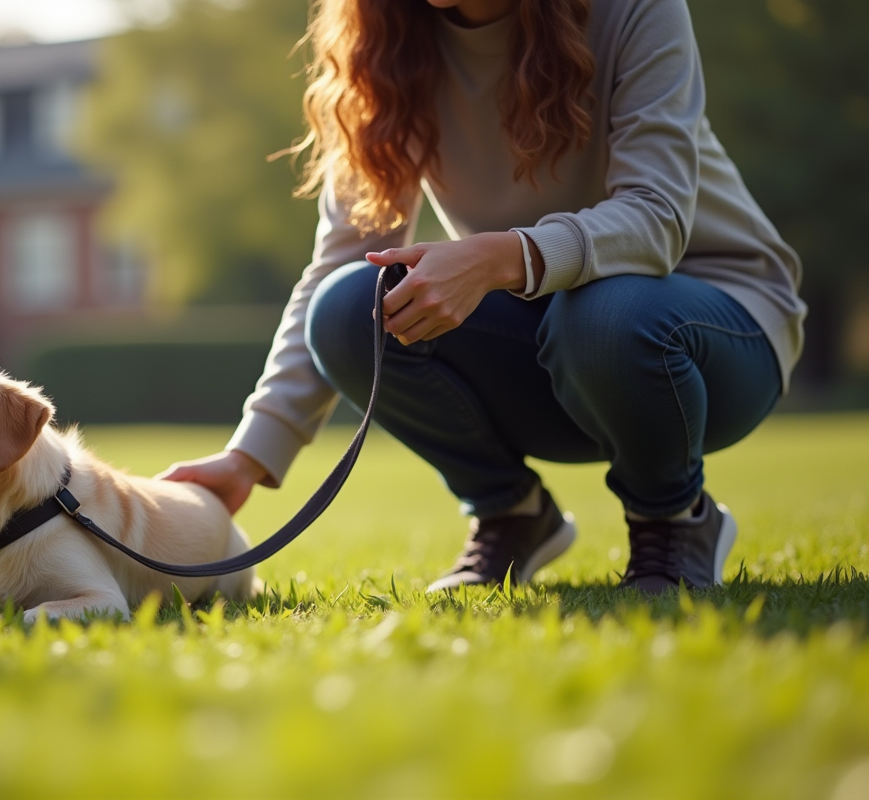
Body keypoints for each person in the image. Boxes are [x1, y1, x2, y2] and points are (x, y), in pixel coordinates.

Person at [158, 0, 806, 593]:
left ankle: (674, 520)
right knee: (350, 305)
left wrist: (501, 256)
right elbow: (344, 256)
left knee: (601, 312)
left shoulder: (634, 9)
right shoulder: (385, 38)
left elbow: (656, 219)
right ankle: (511, 514)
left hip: (715, 334)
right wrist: (249, 456)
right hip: (558, 348)